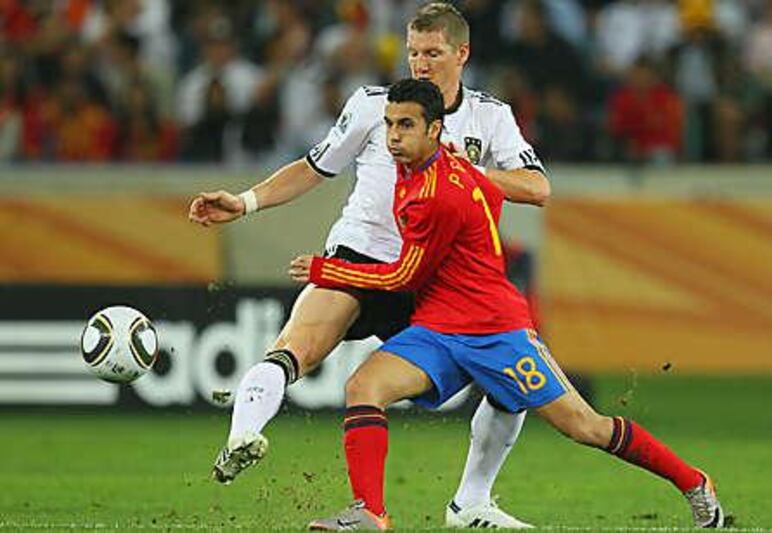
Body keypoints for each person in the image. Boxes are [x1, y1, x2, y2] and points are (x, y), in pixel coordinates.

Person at [292, 78, 725, 531]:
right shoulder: (414, 171)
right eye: (388, 125)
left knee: (586, 427)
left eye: (405, 125)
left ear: (435, 130)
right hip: (438, 329)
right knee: (364, 387)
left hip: (494, 331)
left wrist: (328, 269)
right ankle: (370, 513)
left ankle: (694, 482)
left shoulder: (440, 191)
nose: (393, 137)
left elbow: (404, 276)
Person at [188, 3, 548, 527]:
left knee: (508, 385)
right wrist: (244, 202)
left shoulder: (490, 117)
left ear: (462, 53)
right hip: (361, 258)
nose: (420, 63)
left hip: (431, 281)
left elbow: (537, 187)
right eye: (413, 52)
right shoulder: (376, 107)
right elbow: (313, 169)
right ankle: (241, 435)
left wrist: (463, 171)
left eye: (433, 53)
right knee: (297, 346)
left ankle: (471, 502)